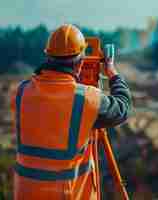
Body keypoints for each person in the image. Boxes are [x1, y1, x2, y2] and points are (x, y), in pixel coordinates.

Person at [11, 24, 132, 200]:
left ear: (48, 56)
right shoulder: (86, 100)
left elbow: (51, 112)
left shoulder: (22, 92)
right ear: (80, 63)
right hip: (66, 195)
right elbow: (123, 107)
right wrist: (112, 72)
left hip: (25, 193)